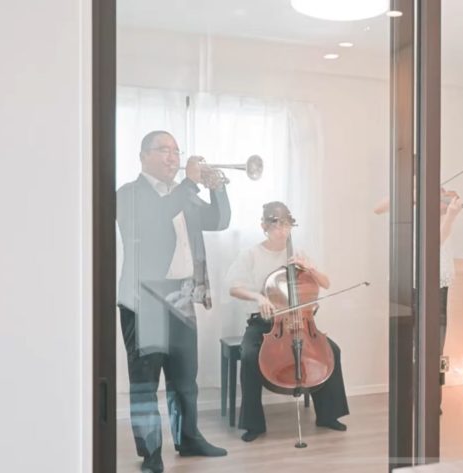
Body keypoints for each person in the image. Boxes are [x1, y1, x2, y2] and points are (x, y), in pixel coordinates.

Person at [117, 130, 230, 473]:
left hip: (181, 295)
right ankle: (151, 454)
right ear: (143, 156)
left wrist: (217, 188)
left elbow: (219, 221)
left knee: (184, 379)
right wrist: (190, 184)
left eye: (176, 151)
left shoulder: (183, 194)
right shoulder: (129, 194)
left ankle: (189, 438)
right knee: (146, 383)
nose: (173, 157)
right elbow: (156, 219)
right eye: (164, 150)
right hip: (145, 297)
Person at [228, 201, 350, 442]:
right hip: (263, 324)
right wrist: (258, 297)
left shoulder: (297, 255)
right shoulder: (250, 254)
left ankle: (328, 415)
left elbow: (325, 284)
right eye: (276, 225)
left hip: (300, 324)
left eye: (286, 225)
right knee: (250, 356)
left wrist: (310, 268)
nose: (282, 231)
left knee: (332, 351)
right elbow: (234, 288)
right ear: (264, 226)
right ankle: (253, 424)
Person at [373, 190, 463, 386]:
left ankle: (434, 391)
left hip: (435, 278)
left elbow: (435, 243)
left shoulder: (442, 203)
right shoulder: (405, 197)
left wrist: (450, 215)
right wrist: (412, 194)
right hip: (405, 277)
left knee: (436, 340)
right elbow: (377, 208)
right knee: (405, 338)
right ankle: (408, 389)